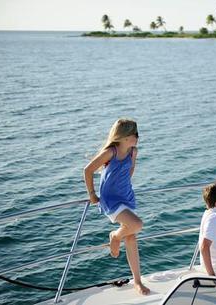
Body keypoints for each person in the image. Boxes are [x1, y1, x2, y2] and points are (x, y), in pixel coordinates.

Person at [83, 118, 150, 295]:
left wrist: (131, 167)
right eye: (134, 133)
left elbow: (129, 173)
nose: (137, 136)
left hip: (127, 197)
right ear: (124, 136)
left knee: (132, 238)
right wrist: (92, 195)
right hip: (111, 199)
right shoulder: (110, 152)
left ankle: (137, 281)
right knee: (136, 225)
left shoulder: (132, 151)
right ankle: (115, 236)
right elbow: (88, 170)